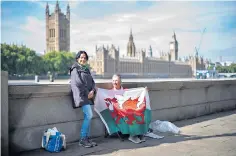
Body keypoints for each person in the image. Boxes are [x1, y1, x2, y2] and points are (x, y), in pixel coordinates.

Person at [70, 51, 97, 148]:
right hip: (82, 96)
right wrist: (87, 93)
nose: (83, 59)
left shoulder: (86, 69)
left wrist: (93, 90)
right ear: (77, 58)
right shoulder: (75, 69)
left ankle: (86, 138)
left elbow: (93, 82)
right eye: (81, 57)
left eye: (85, 58)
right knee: (89, 115)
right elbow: (78, 83)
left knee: (88, 116)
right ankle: (82, 139)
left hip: (89, 96)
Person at [111, 74, 146, 144]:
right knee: (130, 115)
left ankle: (139, 133)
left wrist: (144, 91)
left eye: (116, 80)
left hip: (127, 109)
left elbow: (135, 96)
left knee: (138, 112)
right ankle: (133, 135)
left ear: (120, 81)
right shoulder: (110, 92)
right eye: (113, 81)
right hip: (118, 111)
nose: (114, 82)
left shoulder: (126, 91)